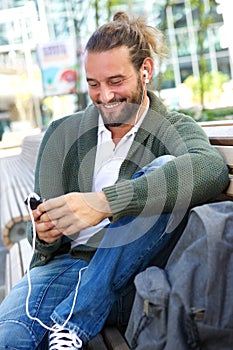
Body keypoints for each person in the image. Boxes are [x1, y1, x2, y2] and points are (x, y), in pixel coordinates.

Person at [0, 12, 229, 350]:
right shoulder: (62, 134)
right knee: (8, 339)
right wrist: (47, 234)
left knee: (165, 168)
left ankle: (73, 321)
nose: (104, 95)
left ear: (145, 71)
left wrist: (105, 203)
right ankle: (71, 319)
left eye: (116, 81)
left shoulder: (172, 128)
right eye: (94, 84)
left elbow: (210, 167)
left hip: (131, 281)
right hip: (66, 269)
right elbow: (46, 247)